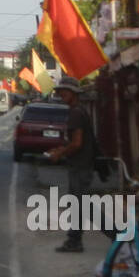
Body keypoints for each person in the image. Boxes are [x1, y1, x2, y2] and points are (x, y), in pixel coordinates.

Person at [47, 76, 96, 252]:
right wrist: (60, 149)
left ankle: (120, 236)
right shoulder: (78, 111)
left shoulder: (76, 113)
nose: (62, 95)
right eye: (60, 92)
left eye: (65, 92)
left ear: (74, 93)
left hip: (81, 166)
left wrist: (60, 153)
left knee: (83, 206)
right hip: (80, 164)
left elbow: (77, 143)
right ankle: (74, 240)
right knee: (80, 205)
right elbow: (75, 142)